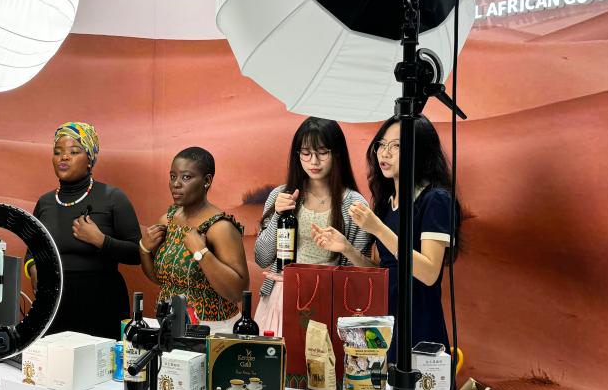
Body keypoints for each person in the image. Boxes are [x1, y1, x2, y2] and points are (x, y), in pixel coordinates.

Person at [312, 115, 460, 356]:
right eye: (381, 144)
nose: (385, 153)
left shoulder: (435, 199)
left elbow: (429, 273)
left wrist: (378, 229)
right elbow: (383, 272)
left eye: (396, 145)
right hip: (384, 324)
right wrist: (347, 249)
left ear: (420, 149)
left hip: (419, 325)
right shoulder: (385, 203)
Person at [26, 122, 141, 340]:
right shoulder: (45, 202)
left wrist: (101, 241)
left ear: (89, 158)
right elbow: (32, 249)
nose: (64, 157)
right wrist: (33, 268)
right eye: (57, 152)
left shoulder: (113, 197)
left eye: (74, 152)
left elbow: (137, 253)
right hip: (55, 301)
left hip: (101, 302)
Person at [254, 117, 372, 300]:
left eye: (322, 152)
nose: (314, 161)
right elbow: (262, 259)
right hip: (281, 295)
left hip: (329, 298)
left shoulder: (354, 204)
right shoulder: (281, 195)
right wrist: (278, 215)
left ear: (337, 154)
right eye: (306, 153)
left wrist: (346, 248)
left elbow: (358, 276)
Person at [139, 147, 249, 331]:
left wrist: (201, 253)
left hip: (213, 330)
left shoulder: (220, 227)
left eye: (186, 177)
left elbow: (238, 292)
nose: (176, 184)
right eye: (173, 176)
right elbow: (162, 280)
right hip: (169, 327)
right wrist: (144, 249)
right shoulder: (167, 220)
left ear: (207, 181)